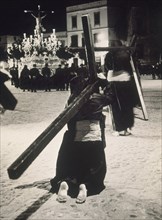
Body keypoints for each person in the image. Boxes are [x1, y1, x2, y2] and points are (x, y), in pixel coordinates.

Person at [50, 74, 114, 203]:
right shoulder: (97, 99)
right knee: (95, 165)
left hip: (74, 137)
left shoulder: (72, 100)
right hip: (94, 137)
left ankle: (65, 182)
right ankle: (86, 185)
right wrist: (105, 82)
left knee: (70, 163)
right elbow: (111, 97)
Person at [104, 40, 139, 136]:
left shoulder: (110, 55)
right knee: (127, 106)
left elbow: (109, 70)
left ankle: (121, 129)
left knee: (117, 107)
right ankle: (127, 127)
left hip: (116, 85)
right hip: (127, 84)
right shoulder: (127, 54)